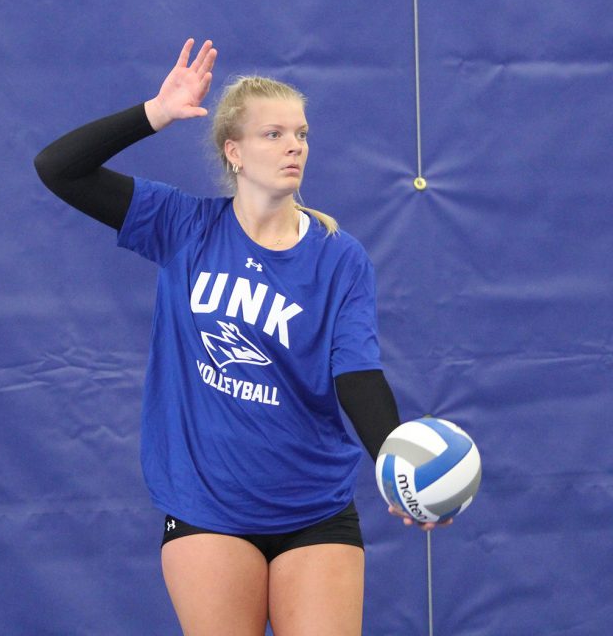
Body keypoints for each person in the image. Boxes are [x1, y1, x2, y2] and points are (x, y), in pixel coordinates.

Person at [34, 39, 446, 636]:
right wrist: (155, 112)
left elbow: (355, 372)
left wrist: (397, 464)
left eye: (301, 134)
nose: (294, 146)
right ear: (235, 151)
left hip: (315, 508)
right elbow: (58, 167)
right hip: (208, 508)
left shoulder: (339, 257)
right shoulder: (181, 226)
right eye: (273, 134)